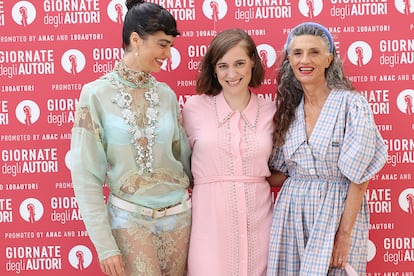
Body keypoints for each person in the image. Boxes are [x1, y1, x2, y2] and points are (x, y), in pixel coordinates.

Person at [69, 1, 192, 275]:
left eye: (170, 45)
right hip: (128, 221)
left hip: (179, 220)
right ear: (135, 39)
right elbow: (85, 175)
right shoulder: (95, 95)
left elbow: (186, 161)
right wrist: (105, 245)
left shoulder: (167, 96)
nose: (168, 54)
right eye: (162, 44)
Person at [266, 22, 388, 275]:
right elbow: (280, 173)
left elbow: (358, 177)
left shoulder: (351, 105)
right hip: (291, 213)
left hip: (336, 212)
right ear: (289, 59)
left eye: (314, 52)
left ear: (329, 58)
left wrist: (344, 234)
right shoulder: (289, 109)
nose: (305, 60)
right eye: (297, 53)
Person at [182, 28, 275, 276]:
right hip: (209, 227)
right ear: (213, 69)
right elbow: (180, 166)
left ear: (253, 63)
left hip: (260, 223)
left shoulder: (271, 111)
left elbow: (282, 168)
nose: (232, 74)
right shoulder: (194, 109)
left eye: (240, 63)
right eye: (223, 66)